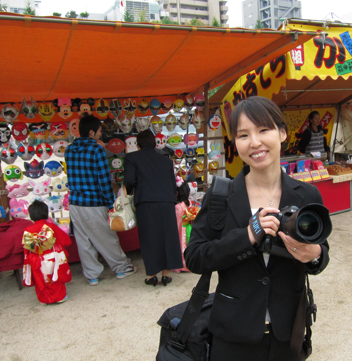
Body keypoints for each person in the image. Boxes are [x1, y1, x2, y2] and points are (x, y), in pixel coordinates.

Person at [185, 96, 330, 361]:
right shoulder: (220, 196)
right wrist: (248, 235)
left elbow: (321, 255)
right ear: (235, 143)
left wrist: (315, 255)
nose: (255, 142)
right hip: (233, 337)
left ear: (282, 133)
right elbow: (194, 257)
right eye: (243, 135)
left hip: (287, 335)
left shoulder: (307, 194)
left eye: (264, 130)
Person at [65, 115, 137, 286]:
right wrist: (111, 203)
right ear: (91, 132)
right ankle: (121, 267)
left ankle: (92, 274)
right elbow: (104, 180)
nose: (100, 134)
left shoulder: (69, 149)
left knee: (83, 241)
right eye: (98, 131)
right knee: (107, 237)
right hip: (94, 202)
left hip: (75, 203)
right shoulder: (96, 150)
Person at [124, 130, 182, 287]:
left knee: (149, 237)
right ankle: (166, 274)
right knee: (167, 237)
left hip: (146, 202)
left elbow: (129, 180)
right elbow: (172, 184)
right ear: (155, 143)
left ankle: (151, 275)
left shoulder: (131, 158)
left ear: (137, 144)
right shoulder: (165, 160)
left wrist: (130, 191)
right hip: (166, 201)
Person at [22, 200, 71, 305]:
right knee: (55, 277)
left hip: (36, 259)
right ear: (45, 213)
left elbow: (26, 248)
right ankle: (59, 297)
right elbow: (65, 240)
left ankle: (44, 299)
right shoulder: (51, 227)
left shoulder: (28, 229)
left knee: (41, 279)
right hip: (51, 257)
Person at [174, 178, 190, 273]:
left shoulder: (177, 207)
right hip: (188, 228)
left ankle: (180, 265)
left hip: (180, 229)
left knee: (180, 246)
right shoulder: (189, 202)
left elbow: (176, 222)